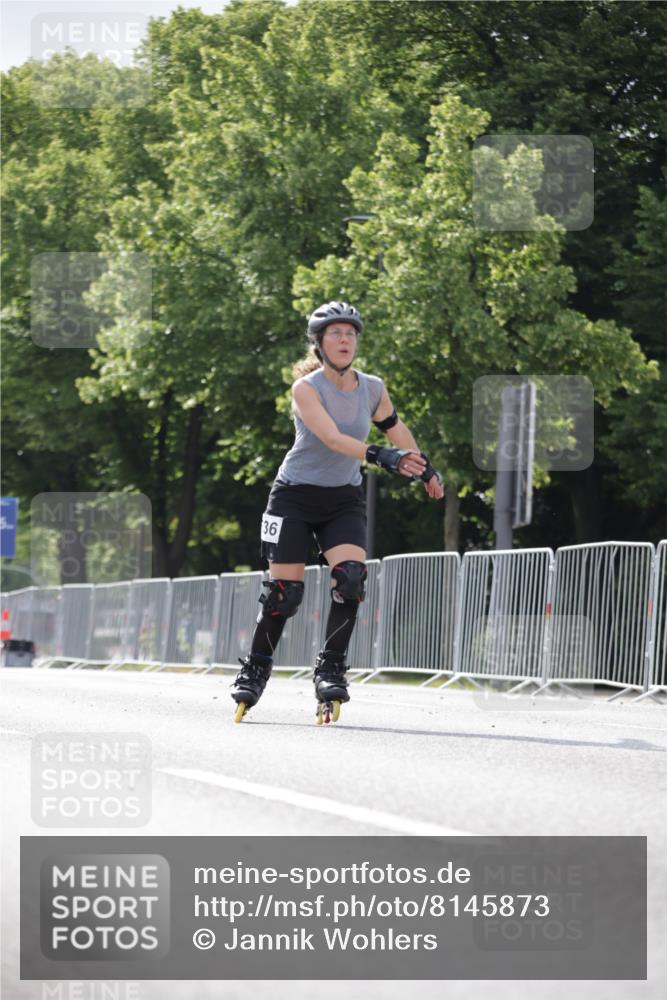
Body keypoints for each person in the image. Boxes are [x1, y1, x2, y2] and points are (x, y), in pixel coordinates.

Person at [231, 301, 444, 723]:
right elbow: (329, 437)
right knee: (283, 596)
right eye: (335, 334)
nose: (345, 340)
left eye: (351, 334)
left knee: (350, 580)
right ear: (319, 343)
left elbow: (395, 428)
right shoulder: (306, 389)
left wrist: (423, 465)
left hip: (342, 499)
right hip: (292, 497)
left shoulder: (372, 388)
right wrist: (384, 457)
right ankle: (256, 669)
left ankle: (330, 670)